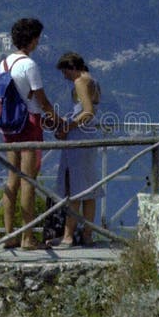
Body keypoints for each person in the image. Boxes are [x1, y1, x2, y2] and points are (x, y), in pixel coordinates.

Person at [0, 18, 62, 249]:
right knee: (28, 180)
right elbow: (41, 99)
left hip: (10, 124)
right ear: (33, 39)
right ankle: (27, 237)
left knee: (12, 178)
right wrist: (56, 120)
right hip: (29, 124)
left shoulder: (5, 63)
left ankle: (9, 234)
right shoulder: (29, 65)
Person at [54, 52, 102, 248]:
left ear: (71, 68)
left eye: (65, 72)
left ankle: (68, 235)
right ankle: (87, 234)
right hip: (90, 136)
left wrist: (67, 127)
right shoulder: (93, 81)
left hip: (79, 138)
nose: (65, 76)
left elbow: (87, 111)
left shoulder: (80, 82)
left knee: (73, 188)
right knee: (88, 189)